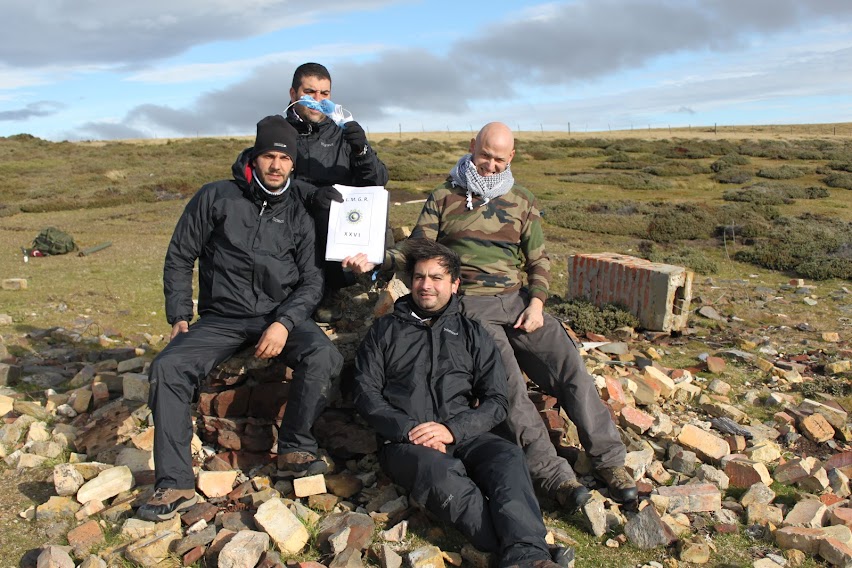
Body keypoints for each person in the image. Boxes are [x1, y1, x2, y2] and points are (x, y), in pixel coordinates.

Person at [344, 122, 637, 509]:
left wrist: (537, 303)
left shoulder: (523, 200)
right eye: (485, 156)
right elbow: (416, 252)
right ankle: (555, 477)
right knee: (510, 386)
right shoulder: (444, 197)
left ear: (511, 157)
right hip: (470, 308)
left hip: (519, 303)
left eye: (500, 159)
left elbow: (539, 261)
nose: (491, 166)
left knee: (570, 367)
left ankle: (610, 461)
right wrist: (374, 265)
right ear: (472, 148)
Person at [138, 115, 343, 521]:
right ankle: (175, 482)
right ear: (255, 155)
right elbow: (180, 255)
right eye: (268, 156)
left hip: (279, 314)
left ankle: (295, 448)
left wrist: (284, 322)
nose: (276, 166)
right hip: (223, 318)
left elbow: (311, 282)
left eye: (284, 159)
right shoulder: (216, 197)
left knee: (324, 356)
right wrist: (180, 314)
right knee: (168, 366)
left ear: (292, 164)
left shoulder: (299, 212)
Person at [354, 239, 566, 568]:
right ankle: (530, 554)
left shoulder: (474, 334)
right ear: (410, 281)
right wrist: (410, 430)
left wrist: (453, 430)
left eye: (437, 278)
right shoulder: (384, 331)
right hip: (408, 441)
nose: (426, 285)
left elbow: (497, 400)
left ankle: (527, 556)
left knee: (507, 457)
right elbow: (365, 393)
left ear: (454, 284)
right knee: (442, 474)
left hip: (464, 432)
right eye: (420, 277)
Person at [286, 62, 390, 291]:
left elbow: (378, 182)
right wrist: (311, 195)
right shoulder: (280, 132)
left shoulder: (342, 130)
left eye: (324, 94)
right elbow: (266, 180)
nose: (317, 100)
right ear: (293, 94)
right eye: (309, 92)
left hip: (343, 224)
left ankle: (349, 288)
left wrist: (361, 149)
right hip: (295, 221)